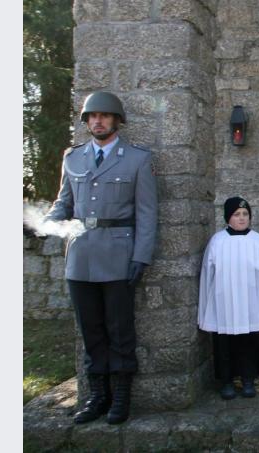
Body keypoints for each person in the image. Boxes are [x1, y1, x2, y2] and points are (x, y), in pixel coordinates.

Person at [46, 91, 158, 424]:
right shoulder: (73, 158)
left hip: (119, 255)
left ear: (116, 121)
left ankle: (121, 396)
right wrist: (44, 223)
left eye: (104, 116)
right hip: (80, 256)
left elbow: (148, 213)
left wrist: (141, 255)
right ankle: (98, 395)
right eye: (92, 117)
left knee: (120, 329)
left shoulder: (137, 159)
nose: (97, 121)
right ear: (86, 122)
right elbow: (63, 202)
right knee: (90, 329)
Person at [198, 197, 259, 399]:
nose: (241, 219)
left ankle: (249, 379)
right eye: (236, 214)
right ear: (227, 217)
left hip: (251, 302)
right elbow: (208, 275)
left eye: (245, 214)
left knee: (249, 341)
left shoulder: (258, 241)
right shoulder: (217, 241)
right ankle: (227, 381)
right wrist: (206, 307)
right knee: (224, 343)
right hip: (224, 302)